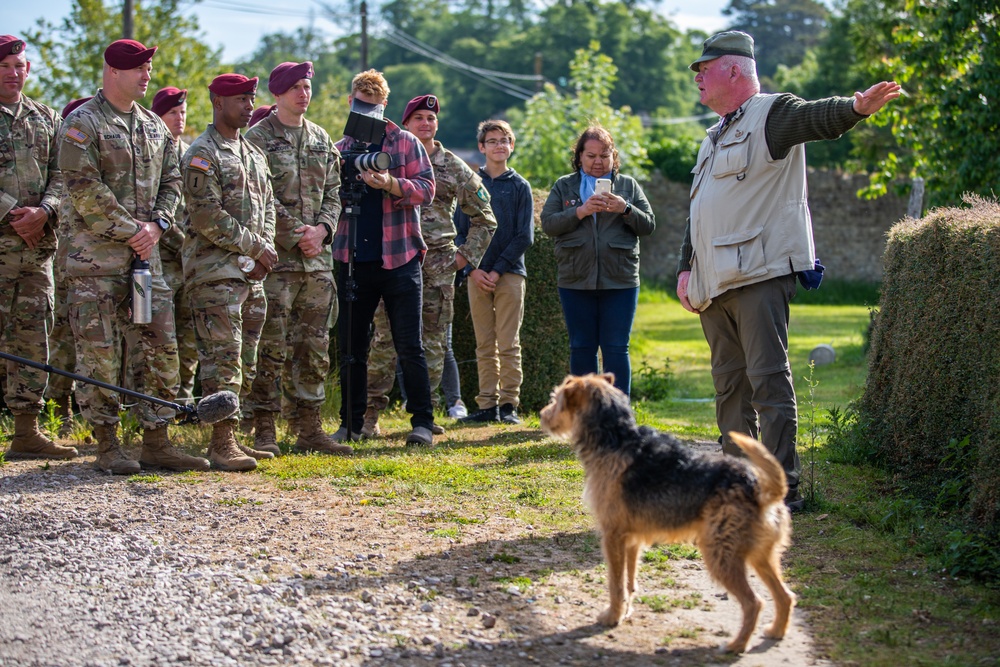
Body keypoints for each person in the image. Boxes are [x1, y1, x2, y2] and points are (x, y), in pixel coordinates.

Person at [675, 30, 900, 510]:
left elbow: (814, 118)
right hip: (712, 283)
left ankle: (781, 488)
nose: (697, 77)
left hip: (758, 274)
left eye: (704, 68)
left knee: (768, 380)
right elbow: (699, 211)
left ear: (733, 70)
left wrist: (854, 108)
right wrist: (684, 269)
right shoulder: (712, 136)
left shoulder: (771, 114)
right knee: (730, 386)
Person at [60, 39, 208, 473]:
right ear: (112, 71)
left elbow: (173, 183)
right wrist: (134, 232)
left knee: (161, 346)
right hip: (96, 263)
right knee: (99, 353)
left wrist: (158, 225)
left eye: (148, 68)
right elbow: (85, 190)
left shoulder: (152, 126)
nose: (147, 75)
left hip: (147, 262)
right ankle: (106, 443)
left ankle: (157, 440)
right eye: (139, 68)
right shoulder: (81, 124)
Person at [362, 94, 496, 438]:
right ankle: (370, 414)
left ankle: (425, 414)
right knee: (384, 339)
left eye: (431, 119)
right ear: (405, 124)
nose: (426, 123)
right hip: (395, 258)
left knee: (433, 341)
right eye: (418, 118)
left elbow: (485, 217)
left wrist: (464, 257)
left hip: (437, 262)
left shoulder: (453, 166)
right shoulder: (388, 157)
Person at [245, 62, 350, 456]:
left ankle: (308, 427)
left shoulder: (321, 138)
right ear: (277, 94)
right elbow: (259, 198)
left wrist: (322, 231)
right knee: (270, 346)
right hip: (278, 263)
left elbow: (335, 193)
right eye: (295, 87)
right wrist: (296, 233)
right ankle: (264, 428)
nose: (303, 93)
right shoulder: (257, 138)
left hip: (317, 264)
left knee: (315, 346)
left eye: (307, 86)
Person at [332, 69, 437, 445]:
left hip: (400, 256)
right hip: (352, 257)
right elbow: (328, 200)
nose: (366, 112)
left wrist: (390, 182)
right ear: (350, 102)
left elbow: (427, 189)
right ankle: (351, 424)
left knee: (410, 344)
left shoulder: (406, 142)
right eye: (360, 105)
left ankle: (422, 423)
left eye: (373, 107)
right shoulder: (341, 147)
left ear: (384, 105)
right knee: (352, 347)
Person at [182, 72, 278, 471]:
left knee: (247, 359)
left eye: (251, 98)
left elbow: (268, 207)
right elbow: (206, 215)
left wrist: (264, 251)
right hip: (215, 273)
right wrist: (255, 247)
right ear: (218, 102)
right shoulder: (202, 152)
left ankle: (233, 435)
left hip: (251, 275)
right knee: (224, 358)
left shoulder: (253, 152)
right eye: (241, 99)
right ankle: (220, 442)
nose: (249, 105)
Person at [0, 34, 77, 460]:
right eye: (6, 66)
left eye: (20, 66)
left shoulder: (46, 118)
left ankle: (26, 433)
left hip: (36, 253)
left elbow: (64, 174)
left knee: (31, 338)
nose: (14, 73)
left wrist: (45, 211)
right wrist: (16, 215)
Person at [540, 125, 655, 397]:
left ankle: (617, 413)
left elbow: (648, 225)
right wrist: (579, 211)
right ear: (579, 156)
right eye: (590, 156)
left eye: (604, 155)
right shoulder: (563, 185)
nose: (598, 162)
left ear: (614, 156)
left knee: (616, 347)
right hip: (575, 279)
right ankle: (584, 414)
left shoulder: (628, 185)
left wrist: (625, 208)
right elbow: (548, 224)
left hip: (620, 280)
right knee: (581, 347)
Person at [458, 119, 533, 425]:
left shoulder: (520, 187)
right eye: (492, 140)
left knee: (508, 342)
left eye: (505, 140)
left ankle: (509, 405)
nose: (499, 145)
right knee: (484, 342)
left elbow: (523, 236)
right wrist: (474, 271)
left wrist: (498, 270)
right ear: (481, 147)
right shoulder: (470, 185)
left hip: (510, 274)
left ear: (511, 146)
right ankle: (487, 404)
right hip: (477, 276)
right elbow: (460, 233)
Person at [44, 96, 92, 438]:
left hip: (93, 264)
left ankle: (93, 414)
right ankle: (59, 411)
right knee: (62, 337)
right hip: (64, 264)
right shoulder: (62, 166)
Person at [149, 85, 198, 405]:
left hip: (190, 260)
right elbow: (154, 210)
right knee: (162, 337)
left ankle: (184, 398)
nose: (179, 118)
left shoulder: (192, 153)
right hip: (164, 259)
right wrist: (183, 244)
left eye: (182, 112)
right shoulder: (150, 153)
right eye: (172, 113)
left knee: (189, 333)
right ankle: (159, 400)